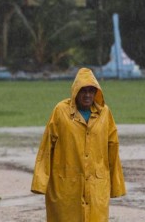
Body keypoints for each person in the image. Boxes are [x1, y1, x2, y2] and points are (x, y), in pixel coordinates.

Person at [31, 67, 126, 221]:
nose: (87, 95)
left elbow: (113, 148)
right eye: (83, 90)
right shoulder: (61, 111)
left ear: (96, 93)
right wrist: (40, 182)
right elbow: (47, 148)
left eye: (91, 90)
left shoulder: (105, 113)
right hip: (66, 187)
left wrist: (116, 185)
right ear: (75, 92)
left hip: (96, 185)